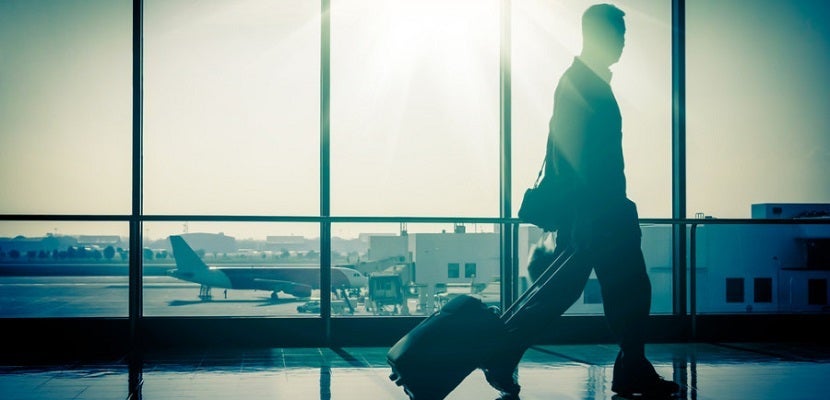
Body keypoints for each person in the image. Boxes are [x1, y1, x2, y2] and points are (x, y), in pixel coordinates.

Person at [482, 4, 680, 399]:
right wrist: (586, 214)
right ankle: (628, 369)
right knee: (625, 290)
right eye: (618, 35)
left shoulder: (581, 82)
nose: (623, 44)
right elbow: (578, 155)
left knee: (572, 291)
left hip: (597, 210)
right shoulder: (584, 85)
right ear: (597, 36)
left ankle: (507, 352)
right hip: (599, 212)